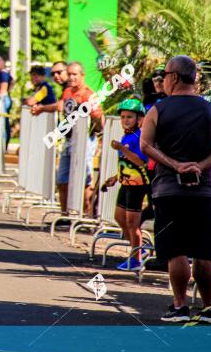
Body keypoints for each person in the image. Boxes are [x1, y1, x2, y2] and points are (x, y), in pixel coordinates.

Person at [140, 55, 211, 324]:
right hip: (202, 190)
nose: (162, 79)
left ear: (174, 77)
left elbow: (146, 145)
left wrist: (176, 165)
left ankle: (180, 305)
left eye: (164, 74)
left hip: (168, 190)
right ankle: (209, 307)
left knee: (175, 251)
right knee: (203, 251)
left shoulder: (158, 110)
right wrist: (198, 165)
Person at [32, 62, 104, 217]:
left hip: (85, 141)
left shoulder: (88, 95)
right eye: (69, 74)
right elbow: (60, 106)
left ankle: (87, 215)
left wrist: (101, 137)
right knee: (62, 179)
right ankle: (65, 214)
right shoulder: (67, 93)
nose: (71, 77)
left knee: (85, 179)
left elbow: (100, 117)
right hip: (69, 139)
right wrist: (41, 109)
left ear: (82, 76)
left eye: (74, 74)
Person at [101, 99, 150, 270]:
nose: (125, 120)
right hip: (126, 183)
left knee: (132, 222)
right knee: (119, 217)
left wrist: (122, 148)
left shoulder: (140, 136)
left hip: (138, 185)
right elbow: (126, 163)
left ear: (139, 118)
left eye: (129, 117)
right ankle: (139, 250)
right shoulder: (126, 136)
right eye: (122, 117)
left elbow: (140, 161)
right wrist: (115, 177)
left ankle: (136, 259)